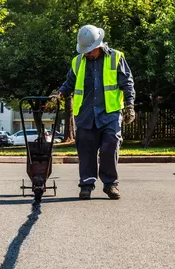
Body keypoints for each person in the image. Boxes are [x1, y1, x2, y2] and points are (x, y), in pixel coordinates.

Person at [56, 24, 136, 200]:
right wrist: (59, 94)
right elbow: (69, 82)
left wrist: (130, 105)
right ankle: (86, 184)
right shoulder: (78, 61)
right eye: (85, 50)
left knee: (111, 144)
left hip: (110, 112)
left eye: (90, 50)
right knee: (86, 150)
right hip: (85, 114)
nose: (87, 53)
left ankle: (110, 184)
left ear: (99, 45)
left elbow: (127, 83)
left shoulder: (116, 57)